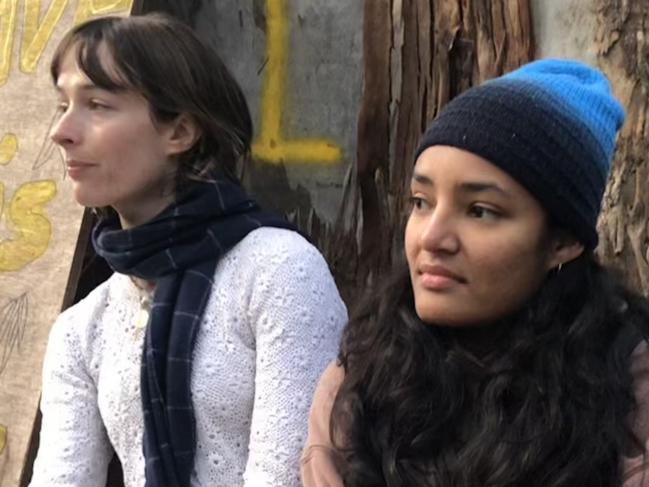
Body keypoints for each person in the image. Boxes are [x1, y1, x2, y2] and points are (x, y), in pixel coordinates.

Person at [28, 13, 347, 487]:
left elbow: (287, 475)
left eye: (96, 104)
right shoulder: (83, 327)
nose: (62, 131)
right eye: (62, 104)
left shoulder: (277, 271)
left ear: (179, 132)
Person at [301, 59, 649, 486]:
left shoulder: (627, 389)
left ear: (563, 242)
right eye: (421, 202)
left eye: (480, 211)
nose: (431, 237)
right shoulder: (363, 376)